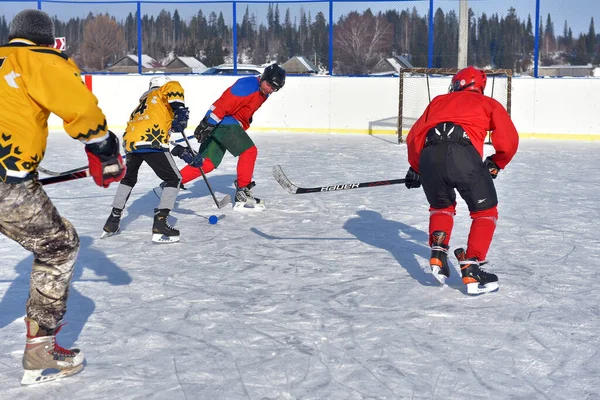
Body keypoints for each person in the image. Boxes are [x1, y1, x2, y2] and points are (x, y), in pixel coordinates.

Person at [0, 9, 125, 384]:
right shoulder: (36, 59)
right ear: (44, 38)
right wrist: (103, 148)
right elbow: (80, 107)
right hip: (8, 183)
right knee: (59, 246)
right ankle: (40, 350)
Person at [404, 66, 519, 295]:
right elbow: (509, 140)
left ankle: (438, 252)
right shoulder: (489, 104)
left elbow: (414, 137)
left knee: (441, 206)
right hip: (463, 156)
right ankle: (473, 266)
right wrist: (497, 162)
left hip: (429, 156)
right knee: (485, 211)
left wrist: (417, 168)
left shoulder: (438, 101)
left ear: (458, 83)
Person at [171, 63, 286, 211]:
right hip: (224, 122)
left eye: (274, 88)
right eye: (269, 84)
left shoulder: (263, 92)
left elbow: (243, 106)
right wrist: (207, 124)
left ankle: (171, 183)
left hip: (223, 124)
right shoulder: (249, 84)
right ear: (263, 77)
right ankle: (242, 192)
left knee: (207, 163)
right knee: (249, 151)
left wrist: (245, 118)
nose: (270, 89)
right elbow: (223, 104)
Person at [102, 76, 188, 243]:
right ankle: (161, 223)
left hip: (132, 142)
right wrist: (180, 110)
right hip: (151, 139)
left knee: (128, 179)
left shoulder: (143, 104)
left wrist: (180, 150)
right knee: (174, 178)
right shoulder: (162, 93)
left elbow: (159, 137)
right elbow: (173, 87)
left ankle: (112, 221)